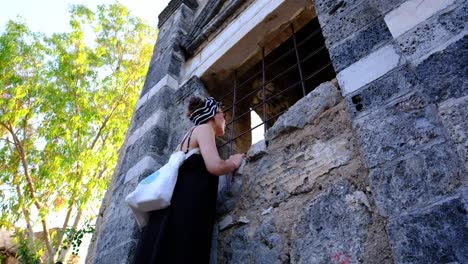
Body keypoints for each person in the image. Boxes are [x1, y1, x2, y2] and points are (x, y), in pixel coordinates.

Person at [132, 96, 245, 264]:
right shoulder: (204, 129)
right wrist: (233, 161)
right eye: (223, 113)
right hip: (184, 213)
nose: (225, 118)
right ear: (213, 114)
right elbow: (215, 166)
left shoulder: (187, 138)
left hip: (171, 214)